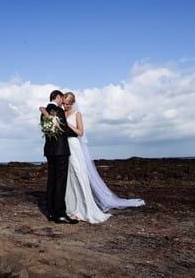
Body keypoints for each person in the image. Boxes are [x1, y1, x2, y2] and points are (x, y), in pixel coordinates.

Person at [40, 92, 145, 222]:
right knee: (64, 180)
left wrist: (67, 124)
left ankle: (81, 207)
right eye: (64, 103)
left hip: (71, 147)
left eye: (67, 104)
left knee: (77, 175)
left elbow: (80, 132)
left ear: (72, 103)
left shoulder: (73, 113)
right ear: (59, 98)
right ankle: (64, 209)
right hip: (63, 149)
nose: (65, 105)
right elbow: (56, 127)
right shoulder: (58, 112)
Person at [41, 90, 79, 224]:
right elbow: (64, 129)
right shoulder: (58, 111)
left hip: (50, 152)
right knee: (60, 183)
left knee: (51, 181)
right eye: (61, 98)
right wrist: (77, 133)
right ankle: (60, 214)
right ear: (57, 97)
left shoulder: (44, 112)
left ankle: (50, 213)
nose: (62, 101)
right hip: (61, 151)